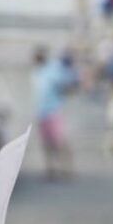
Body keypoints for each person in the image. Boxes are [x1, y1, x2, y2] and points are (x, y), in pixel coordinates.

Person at [32, 47, 77, 181]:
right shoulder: (36, 72)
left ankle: (68, 170)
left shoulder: (53, 70)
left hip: (53, 111)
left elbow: (68, 84)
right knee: (46, 143)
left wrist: (62, 96)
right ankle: (50, 170)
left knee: (60, 142)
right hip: (41, 112)